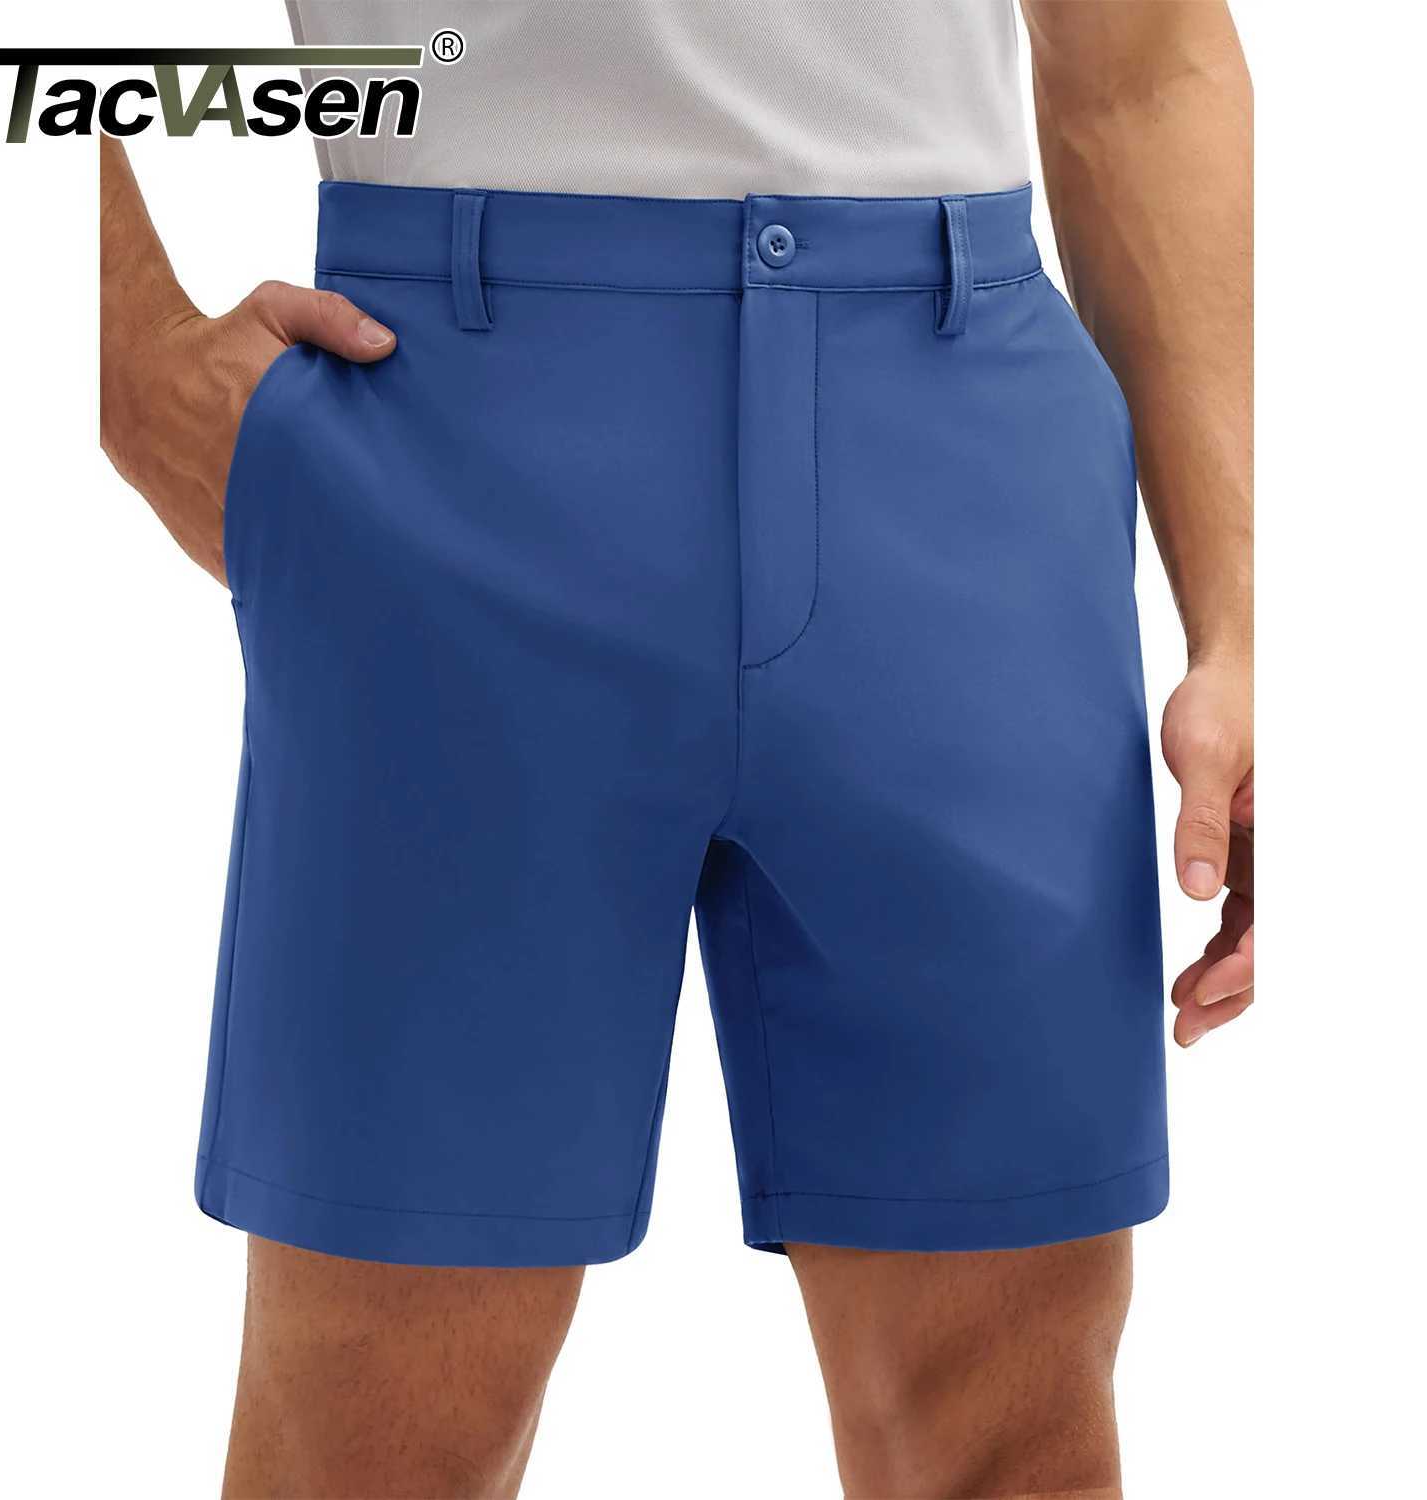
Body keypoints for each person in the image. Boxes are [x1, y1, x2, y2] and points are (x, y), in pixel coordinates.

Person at [99, 3, 1253, 1495]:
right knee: (375, 1435)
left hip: (964, 457)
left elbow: (1143, 59)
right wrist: (126, 350)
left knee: (1013, 1428)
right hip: (452, 436)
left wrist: (1238, 624)